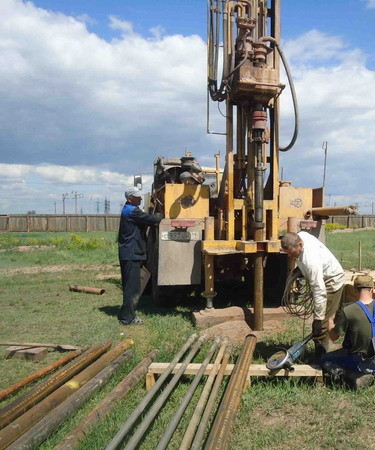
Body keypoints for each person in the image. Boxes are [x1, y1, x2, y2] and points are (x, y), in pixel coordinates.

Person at [281, 231, 345, 357]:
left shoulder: (311, 262)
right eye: (287, 253)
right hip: (322, 276)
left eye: (292, 253)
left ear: (300, 244)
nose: (290, 256)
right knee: (320, 322)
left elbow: (319, 291)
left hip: (332, 282)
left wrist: (318, 319)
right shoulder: (301, 235)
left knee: (321, 326)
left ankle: (321, 359)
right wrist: (299, 269)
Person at [321, 274, 375, 389]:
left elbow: (334, 337)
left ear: (355, 291)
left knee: (324, 359)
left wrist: (330, 321)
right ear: (373, 289)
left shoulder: (349, 311)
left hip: (361, 361)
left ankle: (353, 377)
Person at [118, 188, 162, 325]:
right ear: (129, 198)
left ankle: (126, 312)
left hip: (129, 252)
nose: (141, 199)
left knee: (130, 286)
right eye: (137, 197)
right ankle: (128, 318)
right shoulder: (132, 211)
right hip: (131, 253)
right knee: (133, 287)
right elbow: (151, 219)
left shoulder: (129, 210)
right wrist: (161, 215)